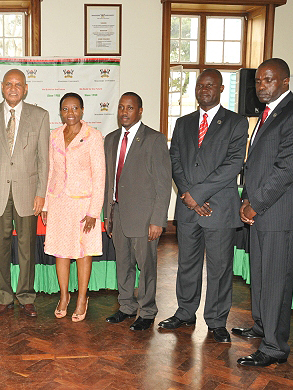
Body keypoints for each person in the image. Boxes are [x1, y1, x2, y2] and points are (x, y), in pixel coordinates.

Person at [235, 58, 293, 366]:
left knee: (276, 281)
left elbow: (286, 170)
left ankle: (274, 347)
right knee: (261, 276)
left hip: (280, 216)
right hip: (261, 212)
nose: (261, 86)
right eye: (257, 81)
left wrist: (256, 203)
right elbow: (254, 165)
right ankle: (261, 326)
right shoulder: (266, 115)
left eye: (268, 80)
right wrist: (246, 199)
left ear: (284, 82)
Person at [160, 69, 248, 343]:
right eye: (199, 85)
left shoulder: (236, 122)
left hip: (219, 208)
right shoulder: (183, 122)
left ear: (221, 89)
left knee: (220, 269)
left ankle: (216, 321)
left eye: (209, 85)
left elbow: (233, 164)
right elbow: (174, 160)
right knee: (187, 264)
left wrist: (197, 194)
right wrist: (187, 194)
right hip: (188, 207)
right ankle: (185, 312)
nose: (203, 89)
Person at [0, 69, 49, 317]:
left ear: (26, 88)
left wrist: (42, 193)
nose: (13, 88)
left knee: (27, 249)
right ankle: (3, 297)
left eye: (18, 84)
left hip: (28, 194)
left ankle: (26, 296)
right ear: (1, 87)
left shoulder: (40, 116)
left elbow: (44, 159)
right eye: (8, 84)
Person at [103, 92, 171, 331]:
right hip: (117, 213)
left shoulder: (154, 139)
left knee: (146, 265)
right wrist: (106, 214)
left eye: (130, 108)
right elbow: (108, 181)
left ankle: (148, 310)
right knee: (123, 263)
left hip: (144, 217)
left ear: (140, 111)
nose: (124, 112)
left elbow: (163, 184)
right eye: (121, 107)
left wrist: (158, 220)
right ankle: (126, 306)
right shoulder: (110, 140)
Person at [41, 92, 104, 322]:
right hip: (59, 202)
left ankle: (81, 298)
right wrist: (47, 204)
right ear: (60, 112)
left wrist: (93, 211)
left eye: (75, 108)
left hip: (83, 204)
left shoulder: (93, 136)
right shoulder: (55, 135)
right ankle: (64, 296)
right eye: (66, 109)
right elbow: (50, 172)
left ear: (82, 110)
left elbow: (100, 176)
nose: (70, 113)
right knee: (61, 250)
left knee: (83, 251)